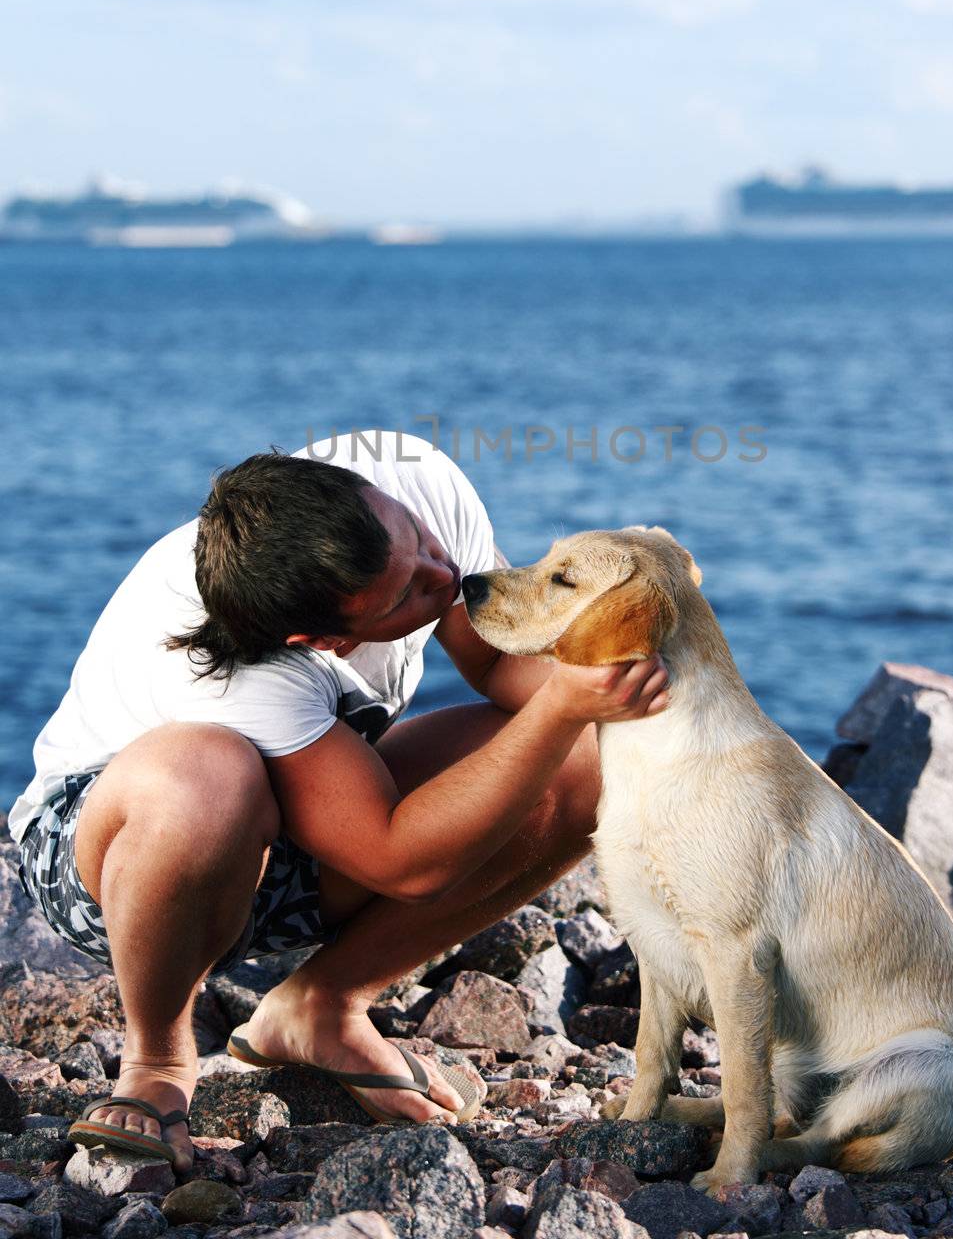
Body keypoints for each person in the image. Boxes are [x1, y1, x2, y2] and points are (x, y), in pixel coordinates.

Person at [11, 428, 670, 1169]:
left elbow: (492, 657)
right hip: (124, 858)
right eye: (408, 593)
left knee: (596, 756)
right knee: (207, 776)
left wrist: (614, 678)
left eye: (414, 539)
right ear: (324, 642)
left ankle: (318, 1006)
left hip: (306, 813)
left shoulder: (408, 476)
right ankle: (158, 1063)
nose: (441, 572)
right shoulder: (234, 667)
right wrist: (561, 707)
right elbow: (402, 863)